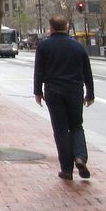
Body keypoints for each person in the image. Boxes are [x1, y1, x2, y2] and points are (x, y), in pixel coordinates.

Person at [33, 13, 95, 181]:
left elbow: (39, 71)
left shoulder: (44, 46)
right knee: (76, 126)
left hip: (53, 91)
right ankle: (80, 156)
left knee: (60, 129)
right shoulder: (78, 46)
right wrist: (90, 93)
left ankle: (67, 169)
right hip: (75, 90)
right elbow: (87, 72)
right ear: (66, 27)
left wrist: (37, 92)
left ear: (51, 28)